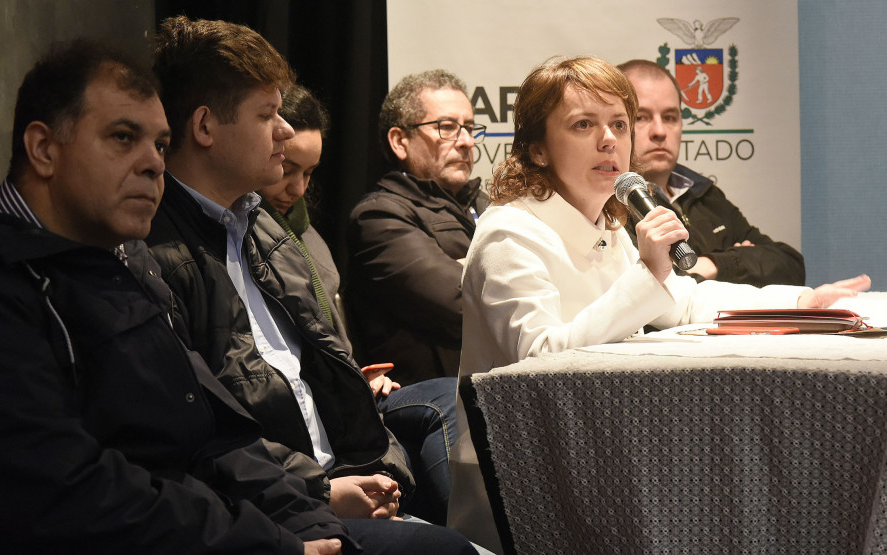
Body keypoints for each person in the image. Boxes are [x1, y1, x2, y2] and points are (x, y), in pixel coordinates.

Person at [446, 55, 870, 553]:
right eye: (584, 125)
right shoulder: (509, 235)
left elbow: (682, 303)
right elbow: (540, 361)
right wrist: (648, 272)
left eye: (619, 124)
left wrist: (801, 303)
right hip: (524, 483)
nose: (610, 140)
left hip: (605, 455)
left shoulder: (607, 220)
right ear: (537, 149)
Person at [0, 38, 351, 554]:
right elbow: (67, 491)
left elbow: (219, 435)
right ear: (43, 149)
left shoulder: (124, 259)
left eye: (159, 145)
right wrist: (275, 545)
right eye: (123, 137)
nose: (152, 164)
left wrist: (309, 526)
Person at [145, 17, 476, 552]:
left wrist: (376, 471)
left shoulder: (263, 227)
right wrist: (319, 490)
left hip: (334, 478)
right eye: (267, 114)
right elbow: (208, 429)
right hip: (274, 506)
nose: (283, 130)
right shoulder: (157, 248)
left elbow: (322, 371)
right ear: (205, 127)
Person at [257, 84, 460, 526]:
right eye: (286, 167)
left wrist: (357, 372)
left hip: (355, 393)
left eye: (309, 173)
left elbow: (330, 340)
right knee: (446, 397)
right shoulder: (247, 236)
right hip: (314, 410)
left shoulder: (309, 237)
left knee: (454, 395)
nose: (297, 187)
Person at [346, 69, 490, 387]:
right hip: (433, 398)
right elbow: (461, 305)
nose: (466, 142)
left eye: (468, 128)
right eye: (448, 127)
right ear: (400, 141)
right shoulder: (380, 216)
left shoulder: (488, 204)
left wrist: (469, 268)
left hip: (501, 386)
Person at [618, 59, 805, 287]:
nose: (660, 131)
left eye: (669, 117)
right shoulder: (611, 206)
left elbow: (790, 266)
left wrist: (712, 264)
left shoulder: (703, 193)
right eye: (641, 117)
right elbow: (661, 289)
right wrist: (744, 263)